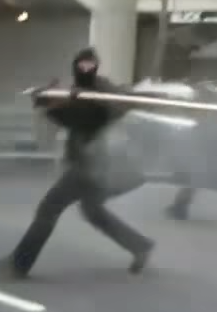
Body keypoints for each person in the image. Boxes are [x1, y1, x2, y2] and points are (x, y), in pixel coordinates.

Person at [0, 47, 154, 279]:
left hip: (94, 164)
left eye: (90, 65)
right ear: (75, 66)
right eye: (82, 64)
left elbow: (103, 114)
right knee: (92, 210)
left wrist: (73, 102)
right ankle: (140, 246)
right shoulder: (81, 92)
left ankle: (19, 264)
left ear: (96, 66)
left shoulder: (102, 89)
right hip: (93, 163)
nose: (86, 69)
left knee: (49, 207)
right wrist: (50, 104)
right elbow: (74, 120)